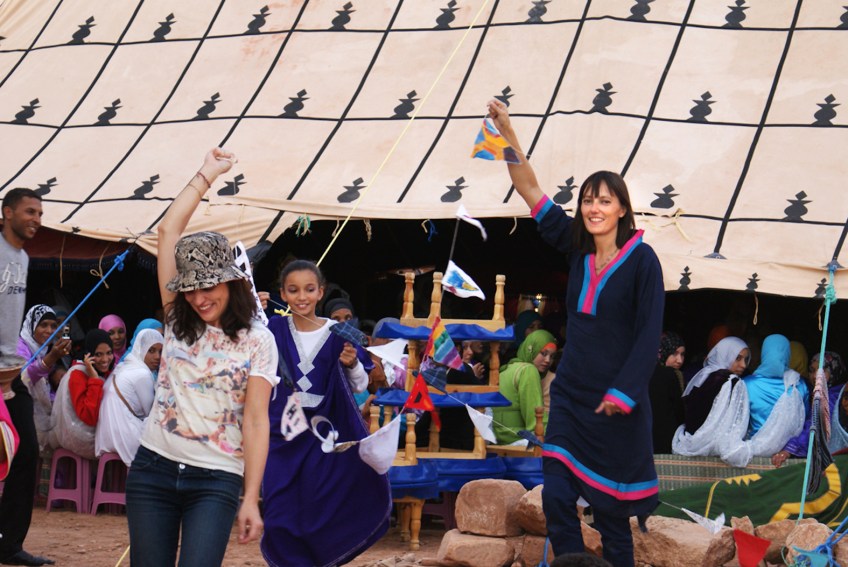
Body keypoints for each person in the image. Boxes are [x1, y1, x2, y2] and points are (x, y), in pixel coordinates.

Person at [489, 99, 664, 566]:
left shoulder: (642, 261)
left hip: (615, 407)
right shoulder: (576, 247)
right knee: (556, 497)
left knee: (610, 515)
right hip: (570, 398)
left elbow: (649, 335)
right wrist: (507, 132)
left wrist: (624, 393)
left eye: (604, 200)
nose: (593, 207)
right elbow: (529, 187)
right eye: (587, 200)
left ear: (622, 209)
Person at [125, 148, 279, 567]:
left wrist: (251, 497)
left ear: (231, 283)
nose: (198, 298)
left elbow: (256, 420)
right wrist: (207, 174)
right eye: (191, 288)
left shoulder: (258, 341)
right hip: (153, 469)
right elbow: (167, 230)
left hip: (217, 479)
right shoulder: (178, 319)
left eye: (208, 286)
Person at [262, 259, 391, 566]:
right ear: (283, 293)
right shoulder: (273, 329)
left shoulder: (339, 332)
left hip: (325, 438)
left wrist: (352, 363)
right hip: (283, 436)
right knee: (278, 512)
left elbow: (360, 384)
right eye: (293, 290)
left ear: (320, 292)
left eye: (309, 289)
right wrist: (253, 309)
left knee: (317, 511)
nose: (301, 297)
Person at [0, 188, 54, 567]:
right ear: (7, 213)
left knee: (27, 451)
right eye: (30, 212)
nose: (37, 219)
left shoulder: (22, 257)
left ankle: (9, 546)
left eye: (40, 213)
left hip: (10, 371)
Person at [96, 328, 164, 466]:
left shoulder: (124, 365)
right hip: (125, 436)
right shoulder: (142, 374)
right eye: (151, 351)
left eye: (160, 351)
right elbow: (150, 412)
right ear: (141, 349)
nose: (157, 356)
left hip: (105, 436)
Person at [671, 337, 750, 457]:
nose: (743, 365)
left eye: (746, 359)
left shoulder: (705, 375)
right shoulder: (732, 382)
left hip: (689, 442)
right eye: (737, 358)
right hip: (714, 449)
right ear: (725, 355)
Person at [48, 329, 114, 459]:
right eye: (98, 354)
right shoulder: (78, 374)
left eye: (109, 353)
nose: (105, 359)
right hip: (80, 438)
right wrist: (94, 380)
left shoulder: (102, 371)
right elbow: (89, 417)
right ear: (88, 355)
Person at [773, 351, 846, 467]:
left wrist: (789, 449)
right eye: (812, 370)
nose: (815, 376)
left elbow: (815, 426)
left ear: (834, 372)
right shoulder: (821, 393)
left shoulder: (832, 398)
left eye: (822, 371)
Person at [16, 305, 71, 455]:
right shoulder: (19, 348)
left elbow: (44, 387)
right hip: (18, 418)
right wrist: (52, 357)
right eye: (44, 325)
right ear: (32, 325)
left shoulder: (42, 350)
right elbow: (24, 379)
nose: (49, 330)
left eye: (53, 326)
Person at [492, 329, 556, 445]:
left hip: (498, 438)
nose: (547, 360)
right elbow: (536, 421)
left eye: (552, 356)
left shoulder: (507, 368)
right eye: (543, 353)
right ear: (531, 350)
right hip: (516, 439)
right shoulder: (528, 370)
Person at [648, 332, 685, 453]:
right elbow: (680, 411)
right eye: (674, 353)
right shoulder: (671, 375)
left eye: (682, 354)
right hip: (665, 440)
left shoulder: (644, 371)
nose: (679, 360)